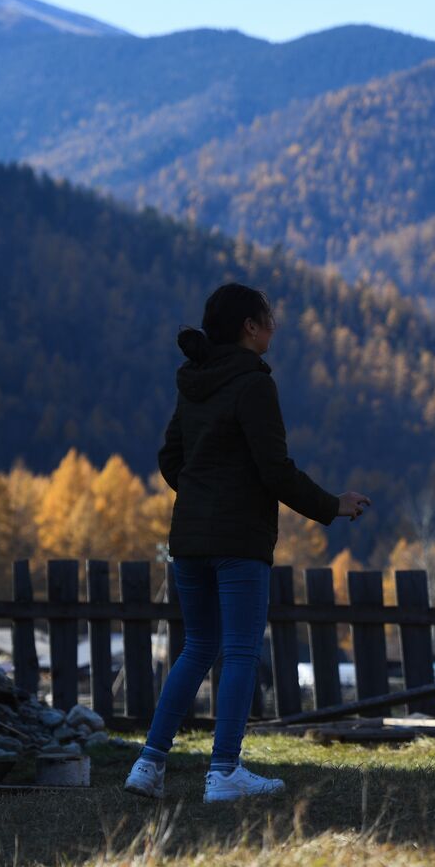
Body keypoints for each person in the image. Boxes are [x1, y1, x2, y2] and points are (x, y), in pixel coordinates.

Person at [124, 283, 371, 803]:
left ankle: (148, 764)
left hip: (188, 537)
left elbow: (171, 457)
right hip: (239, 539)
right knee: (239, 651)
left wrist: (200, 495)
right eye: (269, 318)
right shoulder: (254, 384)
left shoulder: (194, 380)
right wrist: (333, 504)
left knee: (195, 648)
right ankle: (224, 771)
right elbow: (275, 470)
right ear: (249, 328)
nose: (274, 326)